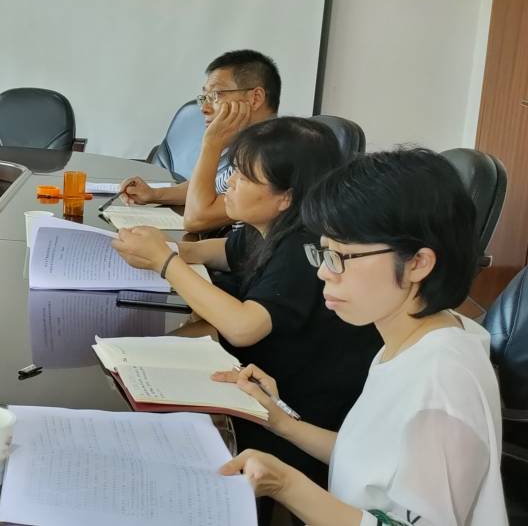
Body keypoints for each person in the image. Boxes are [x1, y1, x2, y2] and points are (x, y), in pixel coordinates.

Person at [215, 149, 506, 525]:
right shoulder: (410, 337)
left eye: (342, 256)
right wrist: (282, 422)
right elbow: (372, 461)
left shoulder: (442, 385)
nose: (324, 272)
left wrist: (287, 485)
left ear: (418, 263)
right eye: (323, 253)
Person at [111, 117, 382, 497]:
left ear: (285, 197)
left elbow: (243, 327)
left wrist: (164, 261)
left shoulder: (304, 246)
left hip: (298, 414)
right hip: (262, 382)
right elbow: (221, 251)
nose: (230, 183)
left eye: (244, 176)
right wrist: (165, 248)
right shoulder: (270, 227)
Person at [119, 49, 280, 233]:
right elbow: (211, 190)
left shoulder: (272, 158)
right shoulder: (252, 147)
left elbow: (196, 218)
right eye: (205, 97)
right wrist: (154, 194)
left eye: (216, 95)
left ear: (255, 98)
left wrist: (211, 143)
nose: (204, 108)